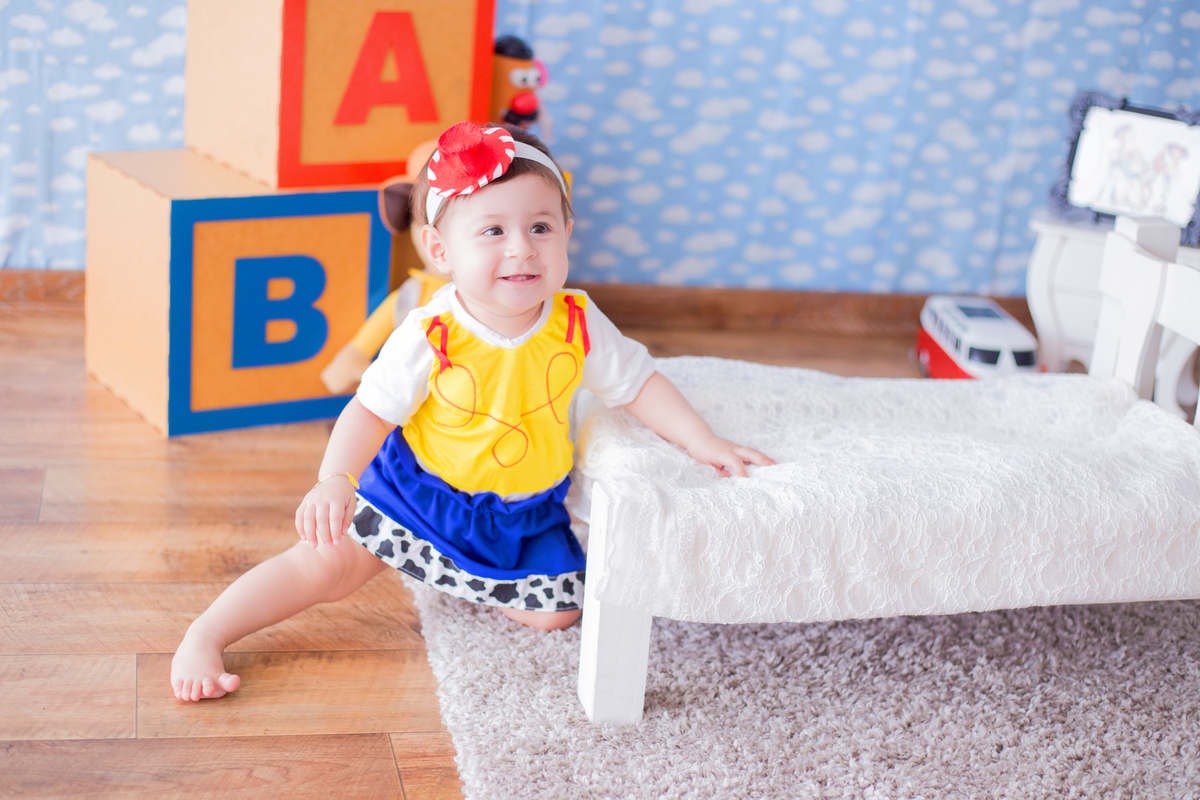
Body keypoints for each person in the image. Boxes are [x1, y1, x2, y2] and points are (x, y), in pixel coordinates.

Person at [170, 122, 774, 701]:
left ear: (567, 230)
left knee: (558, 614)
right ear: (440, 250)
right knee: (324, 569)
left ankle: (463, 570)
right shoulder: (431, 330)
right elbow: (369, 412)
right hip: (420, 491)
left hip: (519, 510)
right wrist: (335, 478)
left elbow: (639, 383)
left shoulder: (576, 321)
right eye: (492, 232)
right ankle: (207, 634)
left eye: (541, 227)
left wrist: (703, 441)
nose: (521, 249)